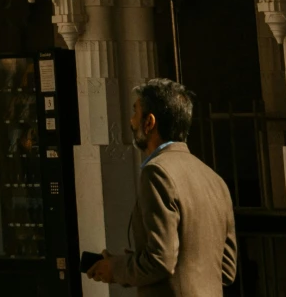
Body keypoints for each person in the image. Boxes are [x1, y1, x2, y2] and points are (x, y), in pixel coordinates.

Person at [89, 77, 237, 293]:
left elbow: (160, 260)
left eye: (135, 113)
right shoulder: (215, 180)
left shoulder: (157, 173)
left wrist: (116, 268)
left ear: (149, 123)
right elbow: (226, 270)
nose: (131, 121)